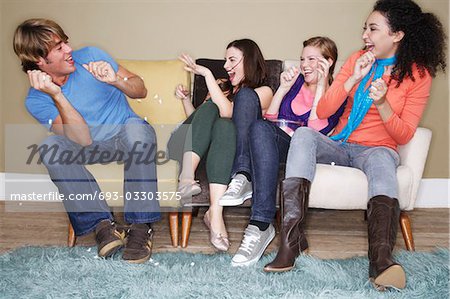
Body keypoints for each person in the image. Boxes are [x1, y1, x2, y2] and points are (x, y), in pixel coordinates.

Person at [264, 0, 446, 291]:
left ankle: (381, 259)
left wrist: (383, 103)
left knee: (385, 163)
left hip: (378, 150)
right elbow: (322, 111)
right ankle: (291, 242)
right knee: (303, 136)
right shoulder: (356, 59)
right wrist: (352, 80)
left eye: (373, 29)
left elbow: (403, 136)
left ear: (397, 35)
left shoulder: (418, 75)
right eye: (365, 28)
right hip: (340, 144)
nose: (364, 35)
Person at [13, 19, 161, 263]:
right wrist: (57, 95)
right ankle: (103, 227)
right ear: (40, 61)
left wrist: (115, 80)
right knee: (50, 147)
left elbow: (140, 89)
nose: (69, 50)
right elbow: (82, 138)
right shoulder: (37, 100)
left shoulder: (91, 55)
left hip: (125, 133)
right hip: (89, 146)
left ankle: (140, 227)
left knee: (138, 131)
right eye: (59, 48)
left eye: (65, 43)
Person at [219, 37, 345, 267]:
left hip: (303, 150)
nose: (305, 64)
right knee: (251, 108)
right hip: (280, 142)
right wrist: (284, 88)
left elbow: (315, 129)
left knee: (290, 134)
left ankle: (259, 224)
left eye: (312, 60)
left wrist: (321, 85)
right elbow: (270, 120)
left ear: (328, 62)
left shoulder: (338, 93)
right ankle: (244, 177)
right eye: (302, 59)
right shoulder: (295, 83)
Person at [172, 39, 273, 251]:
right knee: (210, 110)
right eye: (225, 60)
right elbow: (198, 122)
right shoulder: (221, 88)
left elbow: (228, 113)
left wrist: (207, 75)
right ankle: (186, 177)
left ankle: (215, 215)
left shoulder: (263, 92)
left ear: (250, 61)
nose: (226, 66)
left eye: (232, 60)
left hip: (216, 152)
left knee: (226, 127)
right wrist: (186, 100)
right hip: (182, 143)